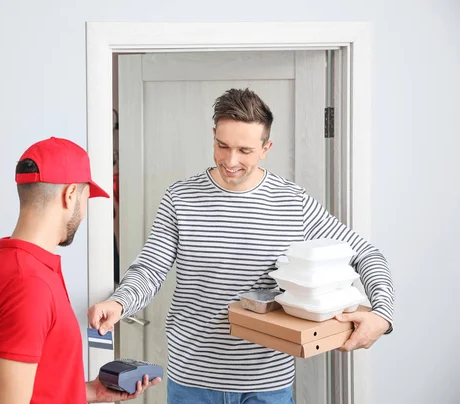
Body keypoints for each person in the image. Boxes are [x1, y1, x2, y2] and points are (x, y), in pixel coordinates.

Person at [88, 89, 395, 403]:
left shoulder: (292, 203)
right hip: (192, 381)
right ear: (213, 135)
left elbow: (367, 254)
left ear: (265, 148)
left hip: (267, 386)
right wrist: (120, 303)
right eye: (222, 146)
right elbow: (150, 270)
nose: (230, 161)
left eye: (245, 150)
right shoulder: (180, 198)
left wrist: (382, 315)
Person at [0, 137, 161, 404]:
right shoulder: (29, 285)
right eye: (85, 197)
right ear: (70, 195)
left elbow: (35, 386)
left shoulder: (7, 266)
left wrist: (92, 391)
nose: (83, 212)